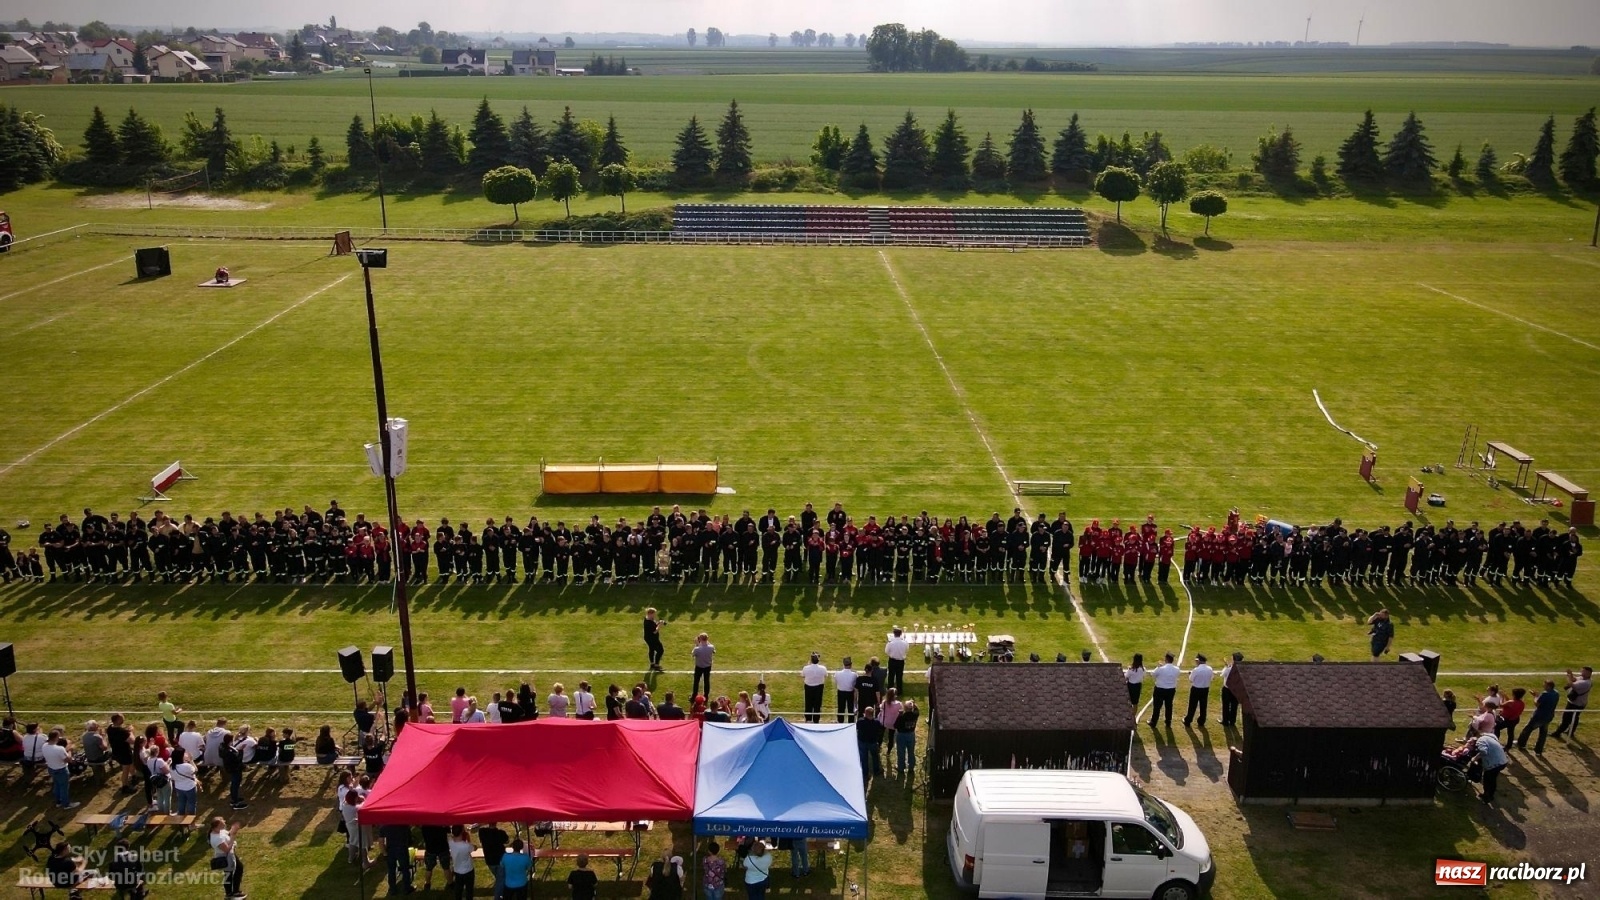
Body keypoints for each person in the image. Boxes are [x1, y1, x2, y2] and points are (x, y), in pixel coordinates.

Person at [1518, 680, 1561, 754]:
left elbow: (1537, 704)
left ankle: (1521, 744)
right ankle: (1538, 750)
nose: (1543, 686)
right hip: (1549, 716)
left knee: (1527, 729)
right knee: (1543, 733)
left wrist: (1535, 697)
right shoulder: (1556, 693)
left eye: (1544, 685)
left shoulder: (1545, 694)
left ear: (1548, 686)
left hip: (1539, 716)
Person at [1550, 666, 1592, 740]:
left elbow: (1571, 684)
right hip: (1578, 702)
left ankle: (1557, 733)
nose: (1581, 672)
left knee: (1566, 718)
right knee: (1575, 717)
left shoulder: (1585, 683)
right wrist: (1570, 674)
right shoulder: (1582, 678)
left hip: (1576, 704)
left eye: (1583, 671)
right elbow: (1574, 679)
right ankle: (1571, 731)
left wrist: (1569, 677)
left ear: (1588, 673)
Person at [209, 816, 245, 900]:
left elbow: (227, 834)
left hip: (231, 854)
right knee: (228, 875)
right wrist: (233, 836)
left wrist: (233, 830)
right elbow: (227, 849)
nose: (225, 822)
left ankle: (235, 891)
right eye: (222, 822)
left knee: (239, 868)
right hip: (226, 857)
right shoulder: (216, 839)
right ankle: (229, 894)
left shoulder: (220, 831)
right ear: (218, 825)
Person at [1470, 733, 1509, 805]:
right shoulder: (1489, 737)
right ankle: (1489, 795)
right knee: (1491, 779)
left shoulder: (1480, 741)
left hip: (1494, 764)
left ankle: (1487, 797)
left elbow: (1483, 751)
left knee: (1488, 779)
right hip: (1503, 761)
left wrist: (1475, 758)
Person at [43, 730, 77, 809]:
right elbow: (68, 760)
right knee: (64, 787)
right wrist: (69, 751)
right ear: (56, 737)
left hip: (51, 768)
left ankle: (58, 802)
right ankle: (66, 804)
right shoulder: (60, 748)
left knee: (57, 785)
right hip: (61, 769)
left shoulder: (44, 745)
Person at [380, 823, 414, 895]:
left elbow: (381, 841)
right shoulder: (403, 824)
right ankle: (407, 888)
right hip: (402, 849)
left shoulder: (384, 825)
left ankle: (392, 889)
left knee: (391, 870)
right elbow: (409, 838)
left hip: (390, 850)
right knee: (405, 869)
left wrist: (384, 853)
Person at [1183, 654, 1215, 728]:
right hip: (1205, 689)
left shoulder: (1196, 670)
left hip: (1196, 689)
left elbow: (1191, 679)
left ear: (1199, 661)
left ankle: (1188, 720)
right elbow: (1211, 678)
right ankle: (1201, 721)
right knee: (1203, 706)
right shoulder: (1210, 669)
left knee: (1192, 706)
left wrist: (1190, 674)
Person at [479, 822, 509, 900]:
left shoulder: (482, 832)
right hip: (500, 860)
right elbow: (507, 841)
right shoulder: (501, 833)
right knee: (500, 880)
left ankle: (502, 893)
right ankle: (497, 897)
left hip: (489, 860)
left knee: (499, 878)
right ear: (496, 823)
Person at [1149, 653, 1180, 728]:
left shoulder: (1161, 669)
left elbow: (1152, 674)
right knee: (1169, 706)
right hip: (1171, 690)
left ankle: (1153, 722)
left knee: (1157, 707)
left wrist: (1158, 667)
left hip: (1160, 690)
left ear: (1166, 659)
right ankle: (1168, 722)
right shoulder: (1177, 669)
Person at [447, 825, 476, 900]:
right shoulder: (466, 846)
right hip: (469, 871)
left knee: (458, 891)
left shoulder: (450, 842)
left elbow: (450, 836)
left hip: (457, 871)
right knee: (469, 891)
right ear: (462, 832)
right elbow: (474, 848)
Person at [856, 706, 885, 780]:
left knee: (864, 758)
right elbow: (880, 731)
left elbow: (857, 727)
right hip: (873, 742)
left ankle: (865, 774)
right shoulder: (876, 722)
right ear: (873, 713)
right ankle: (876, 770)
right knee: (875, 757)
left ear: (865, 713)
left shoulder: (860, 721)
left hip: (862, 742)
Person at [420, 824, 451, 892]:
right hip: (443, 848)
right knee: (446, 867)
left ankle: (427, 884)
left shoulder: (425, 825)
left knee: (429, 868)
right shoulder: (441, 822)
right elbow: (449, 831)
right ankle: (450, 883)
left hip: (430, 849)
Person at [895, 699, 920, 777]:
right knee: (911, 751)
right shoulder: (915, 714)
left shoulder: (902, 716)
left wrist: (899, 715)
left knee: (901, 752)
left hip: (902, 735)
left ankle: (901, 768)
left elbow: (895, 725)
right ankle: (911, 767)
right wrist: (914, 705)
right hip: (911, 734)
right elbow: (917, 710)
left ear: (905, 708)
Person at [170, 747, 199, 817]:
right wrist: (191, 760)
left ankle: (180, 817)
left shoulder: (171, 766)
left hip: (179, 787)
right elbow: (195, 770)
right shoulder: (187, 766)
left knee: (181, 803)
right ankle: (191, 822)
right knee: (191, 804)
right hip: (190, 787)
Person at [1219, 652, 1244, 727]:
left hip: (1227, 689)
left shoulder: (1229, 668)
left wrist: (1226, 666)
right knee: (1234, 705)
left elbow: (1222, 675)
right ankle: (1232, 721)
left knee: (1226, 705)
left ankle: (1225, 720)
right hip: (1236, 690)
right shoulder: (1242, 669)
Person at [801, 653, 827, 724]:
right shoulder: (823, 668)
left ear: (811, 660)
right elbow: (825, 675)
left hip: (808, 687)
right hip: (819, 687)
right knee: (817, 704)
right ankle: (816, 720)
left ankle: (808, 719)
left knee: (808, 703)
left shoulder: (806, 668)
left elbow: (803, 675)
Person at [885, 626, 910, 693]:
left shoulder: (890, 643)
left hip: (892, 660)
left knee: (891, 676)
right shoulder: (905, 643)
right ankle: (899, 690)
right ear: (901, 634)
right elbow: (906, 650)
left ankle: (890, 690)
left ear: (894, 634)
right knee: (899, 676)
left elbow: (886, 651)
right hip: (901, 661)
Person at [691, 632, 716, 700]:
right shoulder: (711, 647)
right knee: (706, 681)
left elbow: (693, 654)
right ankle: (706, 696)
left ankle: (694, 696)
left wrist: (697, 644)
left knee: (696, 681)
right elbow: (714, 651)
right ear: (707, 639)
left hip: (699, 667)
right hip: (707, 667)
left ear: (700, 639)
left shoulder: (697, 649)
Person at [834, 657, 858, 723]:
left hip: (841, 692)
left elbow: (836, 681)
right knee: (850, 709)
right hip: (850, 693)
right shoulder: (854, 674)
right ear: (851, 664)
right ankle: (850, 723)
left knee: (841, 708)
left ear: (843, 664)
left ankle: (840, 722)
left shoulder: (837, 673)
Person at [644, 608, 666, 672]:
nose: (655, 615)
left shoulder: (649, 619)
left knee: (652, 649)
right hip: (651, 639)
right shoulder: (648, 622)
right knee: (660, 650)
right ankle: (656, 665)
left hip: (651, 638)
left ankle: (652, 664)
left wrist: (658, 623)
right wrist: (660, 625)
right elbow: (654, 631)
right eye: (654, 614)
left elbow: (653, 625)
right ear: (650, 614)